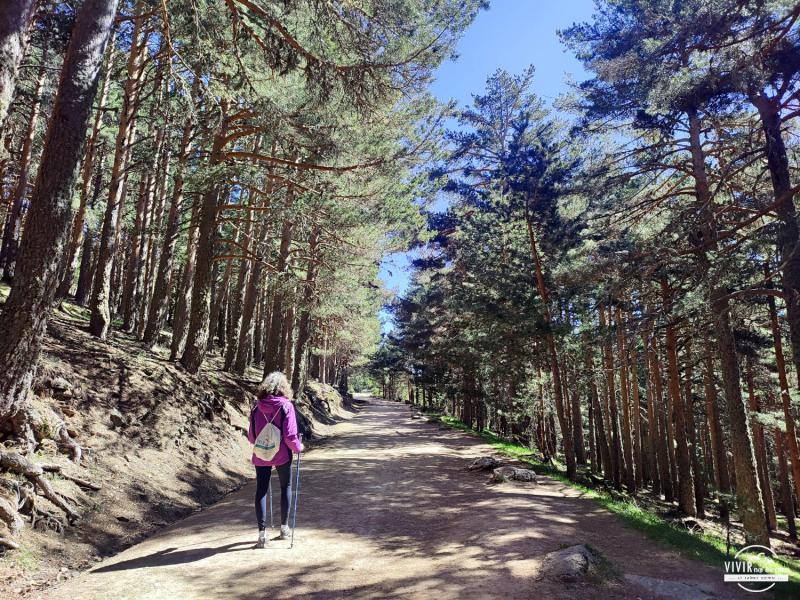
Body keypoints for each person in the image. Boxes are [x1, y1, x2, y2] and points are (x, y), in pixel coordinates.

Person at [247, 371, 304, 548]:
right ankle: (284, 528)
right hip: (281, 454)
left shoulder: (257, 407)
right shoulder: (286, 406)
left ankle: (262, 535)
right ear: (284, 387)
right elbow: (290, 435)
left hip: (261, 453)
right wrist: (298, 447)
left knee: (261, 490)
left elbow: (251, 436)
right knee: (285, 486)